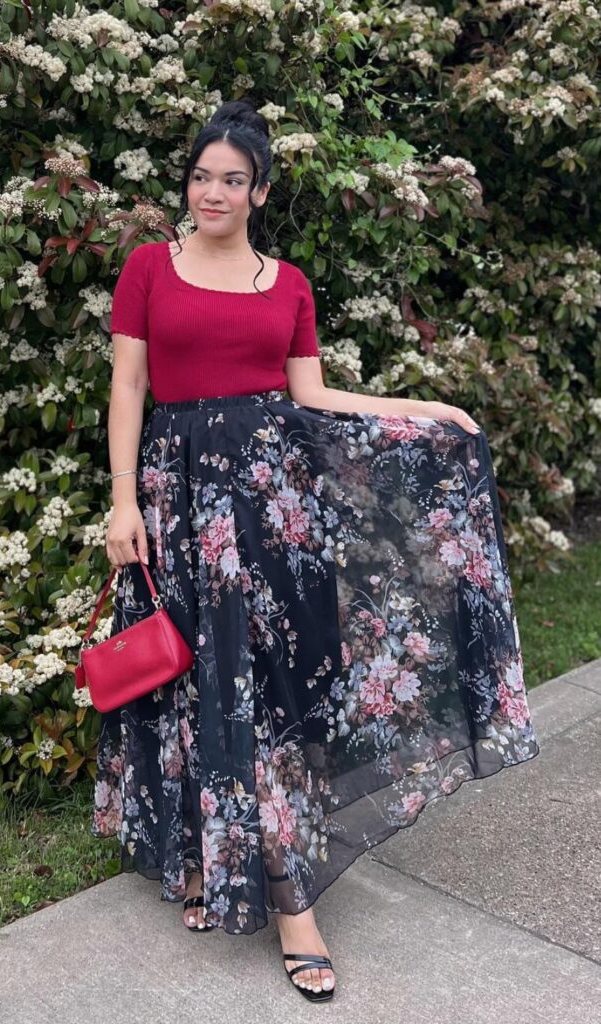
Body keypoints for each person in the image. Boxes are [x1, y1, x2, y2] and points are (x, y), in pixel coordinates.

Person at [92, 99, 540, 1002]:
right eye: (199, 175)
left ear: (258, 191)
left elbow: (314, 396)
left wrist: (418, 410)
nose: (210, 192)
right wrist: (121, 501)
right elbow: (129, 386)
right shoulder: (148, 268)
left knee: (270, 680)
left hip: (273, 513)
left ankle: (288, 892)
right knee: (190, 676)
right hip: (180, 508)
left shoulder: (286, 284)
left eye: (230, 179)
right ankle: (204, 861)